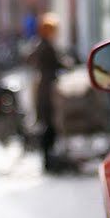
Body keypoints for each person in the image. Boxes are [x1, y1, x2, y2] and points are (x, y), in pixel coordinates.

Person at [28, 12, 69, 173]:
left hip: (43, 87)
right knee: (48, 125)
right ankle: (48, 161)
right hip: (47, 90)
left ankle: (48, 159)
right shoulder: (45, 46)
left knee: (47, 124)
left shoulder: (40, 44)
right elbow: (57, 63)